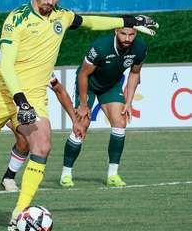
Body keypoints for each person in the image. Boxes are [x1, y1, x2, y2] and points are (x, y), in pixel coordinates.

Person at [0, 0, 158, 231]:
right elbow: (5, 66)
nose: (51, 2)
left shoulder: (61, 17)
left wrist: (127, 20)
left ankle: (18, 214)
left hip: (35, 97)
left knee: (42, 146)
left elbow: (89, 21)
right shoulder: (16, 19)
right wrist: (20, 100)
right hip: (3, 94)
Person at [0, 50, 84, 192]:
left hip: (18, 108)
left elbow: (59, 90)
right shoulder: (2, 55)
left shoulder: (40, 65)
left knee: (27, 138)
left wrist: (75, 120)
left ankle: (9, 177)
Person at [60, 27, 150, 188]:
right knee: (81, 126)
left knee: (120, 122)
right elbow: (83, 74)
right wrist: (83, 104)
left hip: (111, 86)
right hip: (88, 85)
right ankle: (66, 174)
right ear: (116, 31)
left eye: (131, 34)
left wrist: (129, 102)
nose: (127, 38)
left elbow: (135, 73)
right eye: (124, 33)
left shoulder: (140, 47)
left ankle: (113, 175)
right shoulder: (101, 47)